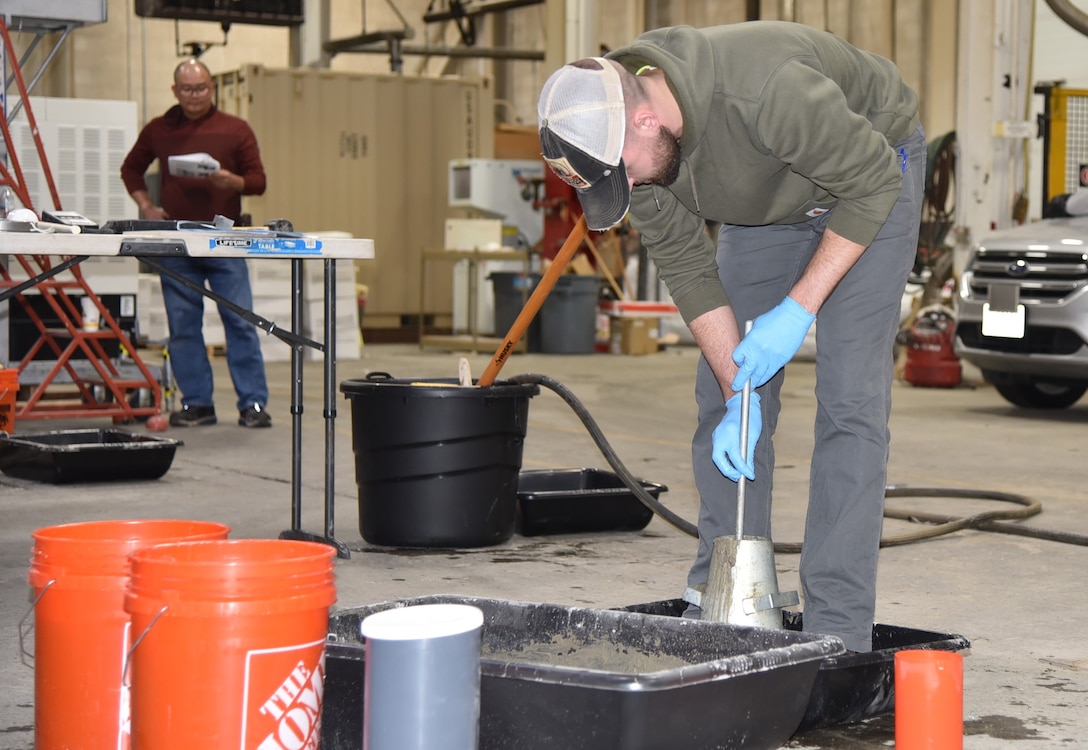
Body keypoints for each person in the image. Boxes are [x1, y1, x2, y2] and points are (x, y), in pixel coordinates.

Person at [537, 21, 924, 652]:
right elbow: (690, 270)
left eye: (622, 175)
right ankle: (726, 593)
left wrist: (799, 309)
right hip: (768, 204)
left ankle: (838, 626)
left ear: (642, 121)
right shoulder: (641, 161)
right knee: (728, 393)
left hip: (873, 175)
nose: (627, 188)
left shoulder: (764, 91)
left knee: (849, 404)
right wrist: (738, 391)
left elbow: (873, 180)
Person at [121, 58, 272, 428]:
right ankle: (198, 404)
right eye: (187, 89)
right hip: (178, 243)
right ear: (175, 91)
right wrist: (146, 205)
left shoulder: (236, 129)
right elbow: (130, 169)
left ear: (212, 88)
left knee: (240, 322)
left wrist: (231, 182)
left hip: (224, 241)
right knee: (183, 326)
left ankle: (252, 404)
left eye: (201, 87)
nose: (194, 95)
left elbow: (258, 181)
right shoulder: (159, 129)